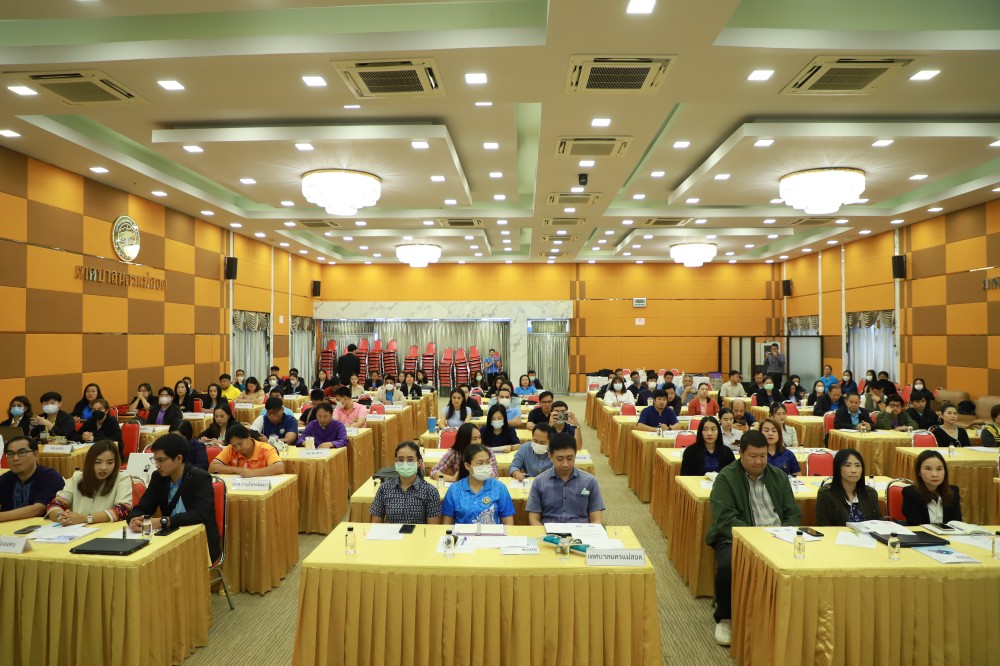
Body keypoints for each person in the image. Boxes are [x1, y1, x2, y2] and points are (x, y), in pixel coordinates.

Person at [706, 431, 801, 646]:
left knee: (805, 559)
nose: (759, 461)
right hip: (737, 536)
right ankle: (725, 617)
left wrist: (785, 531)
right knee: (727, 566)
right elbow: (725, 519)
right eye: (753, 456)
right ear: (741, 453)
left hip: (778, 535)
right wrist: (755, 536)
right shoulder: (726, 478)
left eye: (763, 456)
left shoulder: (778, 476)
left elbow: (792, 511)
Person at [127, 434, 220, 562]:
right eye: (155, 460)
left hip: (199, 541)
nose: (157, 465)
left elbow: (200, 514)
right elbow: (142, 507)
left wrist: (163, 521)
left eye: (161, 460)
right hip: (169, 540)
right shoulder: (158, 477)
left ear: (179, 458)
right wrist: (133, 520)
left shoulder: (200, 478)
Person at [526, 432, 605, 525]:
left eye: (570, 458)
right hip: (549, 532)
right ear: (550, 456)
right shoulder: (539, 482)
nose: (565, 464)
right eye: (560, 459)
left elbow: (596, 520)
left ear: (575, 454)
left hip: (580, 531)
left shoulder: (590, 481)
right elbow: (533, 519)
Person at [46, 440, 131, 525]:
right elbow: (55, 504)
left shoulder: (122, 479)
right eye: (98, 462)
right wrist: (61, 516)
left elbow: (123, 510)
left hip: (105, 530)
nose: (103, 467)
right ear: (89, 462)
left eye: (110, 463)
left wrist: (85, 518)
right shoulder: (78, 478)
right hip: (76, 529)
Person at [441, 443, 515, 526]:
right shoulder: (454, 490)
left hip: (492, 534)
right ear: (467, 466)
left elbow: (508, 522)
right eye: (480, 463)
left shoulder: (499, 488)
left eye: (487, 462)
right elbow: (447, 524)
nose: (485, 466)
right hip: (463, 534)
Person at [370, 441, 443, 524]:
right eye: (400, 460)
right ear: (395, 462)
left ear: (419, 463)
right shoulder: (384, 489)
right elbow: (376, 524)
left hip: (418, 532)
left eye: (410, 460)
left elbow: (433, 528)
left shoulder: (430, 491)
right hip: (391, 532)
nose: (405, 463)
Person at [0, 435, 65, 522]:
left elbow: (38, 509)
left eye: (21, 452)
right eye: (10, 454)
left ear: (35, 455)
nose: (15, 458)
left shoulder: (51, 477)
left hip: (41, 527)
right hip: (7, 528)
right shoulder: (5, 479)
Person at [815, 448, 881, 526]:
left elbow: (878, 524)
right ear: (838, 468)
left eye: (858, 465)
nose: (854, 470)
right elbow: (823, 526)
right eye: (848, 465)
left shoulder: (870, 493)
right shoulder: (826, 494)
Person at [901, 449, 962, 526]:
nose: (934, 474)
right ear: (919, 472)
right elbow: (915, 525)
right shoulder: (910, 493)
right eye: (928, 469)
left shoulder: (953, 492)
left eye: (939, 469)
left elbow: (957, 524)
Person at [429, 423, 498, 482]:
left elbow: (495, 472)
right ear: (464, 440)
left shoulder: (487, 451)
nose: (478, 442)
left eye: (479, 437)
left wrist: (481, 473)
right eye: (474, 439)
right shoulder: (454, 452)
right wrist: (452, 478)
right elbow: (434, 472)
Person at [210, 424, 285, 477]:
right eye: (234, 446)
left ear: (248, 437)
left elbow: (279, 467)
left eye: (240, 443)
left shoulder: (266, 449)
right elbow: (212, 468)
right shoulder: (230, 449)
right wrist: (237, 470)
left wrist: (252, 473)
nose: (238, 448)